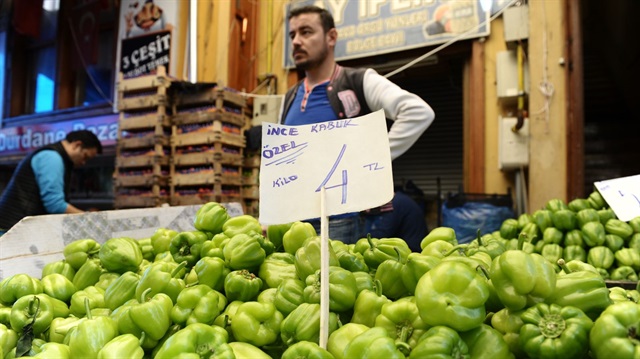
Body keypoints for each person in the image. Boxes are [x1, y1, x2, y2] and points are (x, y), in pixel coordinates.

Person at [281, 5, 435, 244]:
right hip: (293, 223)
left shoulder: (359, 81)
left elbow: (417, 112)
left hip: (343, 221)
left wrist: (369, 161)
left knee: (336, 281)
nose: (297, 41)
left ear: (331, 37)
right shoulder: (290, 96)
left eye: (306, 32)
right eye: (292, 35)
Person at [0, 130, 103, 233]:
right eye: (85, 156)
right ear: (77, 145)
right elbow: (55, 205)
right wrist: (88, 219)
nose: (83, 162)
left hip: (15, 227)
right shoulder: (52, 158)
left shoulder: (55, 156)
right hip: (11, 229)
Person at [361, 191, 428, 252]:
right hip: (412, 243)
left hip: (412, 248)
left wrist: (362, 239)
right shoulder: (398, 199)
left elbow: (385, 232)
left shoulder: (393, 204)